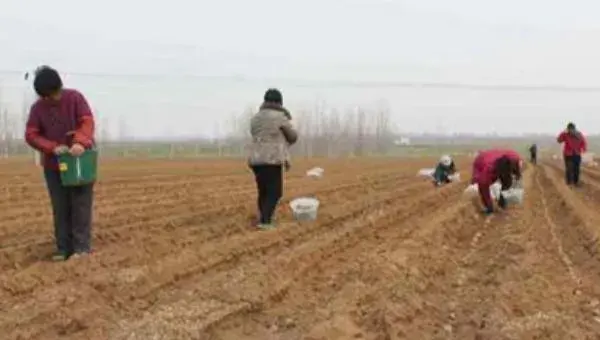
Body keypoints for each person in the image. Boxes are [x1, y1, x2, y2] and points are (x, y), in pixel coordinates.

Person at [24, 66, 96, 261]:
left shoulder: (75, 99)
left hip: (80, 163)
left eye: (53, 94)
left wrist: (80, 142)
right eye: (46, 97)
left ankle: (82, 248)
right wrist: (52, 147)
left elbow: (87, 121)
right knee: (60, 205)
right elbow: (31, 134)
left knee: (80, 204)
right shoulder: (38, 108)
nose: (50, 99)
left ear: (59, 87)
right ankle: (63, 248)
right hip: (54, 165)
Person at [248, 88, 298, 229]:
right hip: (272, 158)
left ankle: (264, 218)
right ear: (279, 102)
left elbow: (257, 133)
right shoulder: (279, 117)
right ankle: (265, 221)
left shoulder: (255, 118)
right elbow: (292, 137)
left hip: (256, 159)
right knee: (275, 192)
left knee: (263, 191)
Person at [471, 149, 522, 215]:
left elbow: (517, 161)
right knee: (483, 184)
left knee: (508, 182)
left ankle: (502, 203)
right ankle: (491, 206)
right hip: (481, 163)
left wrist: (518, 173)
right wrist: (489, 207)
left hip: (495, 160)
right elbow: (484, 189)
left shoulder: (513, 158)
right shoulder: (487, 170)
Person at [557, 122, 587, 187]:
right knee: (569, 168)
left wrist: (583, 149)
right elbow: (559, 140)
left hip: (577, 154)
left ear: (574, 129)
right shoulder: (565, 134)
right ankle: (569, 183)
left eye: (572, 129)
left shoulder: (579, 134)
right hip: (568, 154)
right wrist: (563, 133)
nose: (570, 131)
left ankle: (576, 182)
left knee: (576, 169)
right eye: (569, 129)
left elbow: (583, 142)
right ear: (567, 129)